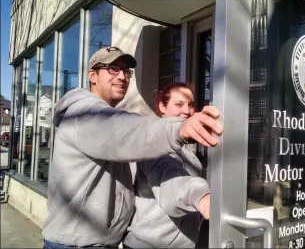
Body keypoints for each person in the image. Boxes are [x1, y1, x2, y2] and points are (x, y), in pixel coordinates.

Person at [42, 46, 223, 248]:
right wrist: (179, 130)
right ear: (92, 76)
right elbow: (130, 131)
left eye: (126, 71)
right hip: (77, 245)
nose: (122, 76)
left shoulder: (104, 121)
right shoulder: (84, 114)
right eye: (113, 69)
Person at [123, 83, 210, 248]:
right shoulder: (153, 143)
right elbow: (170, 180)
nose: (186, 110)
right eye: (179, 104)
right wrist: (201, 197)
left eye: (191, 105)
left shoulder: (186, 149)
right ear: (162, 106)